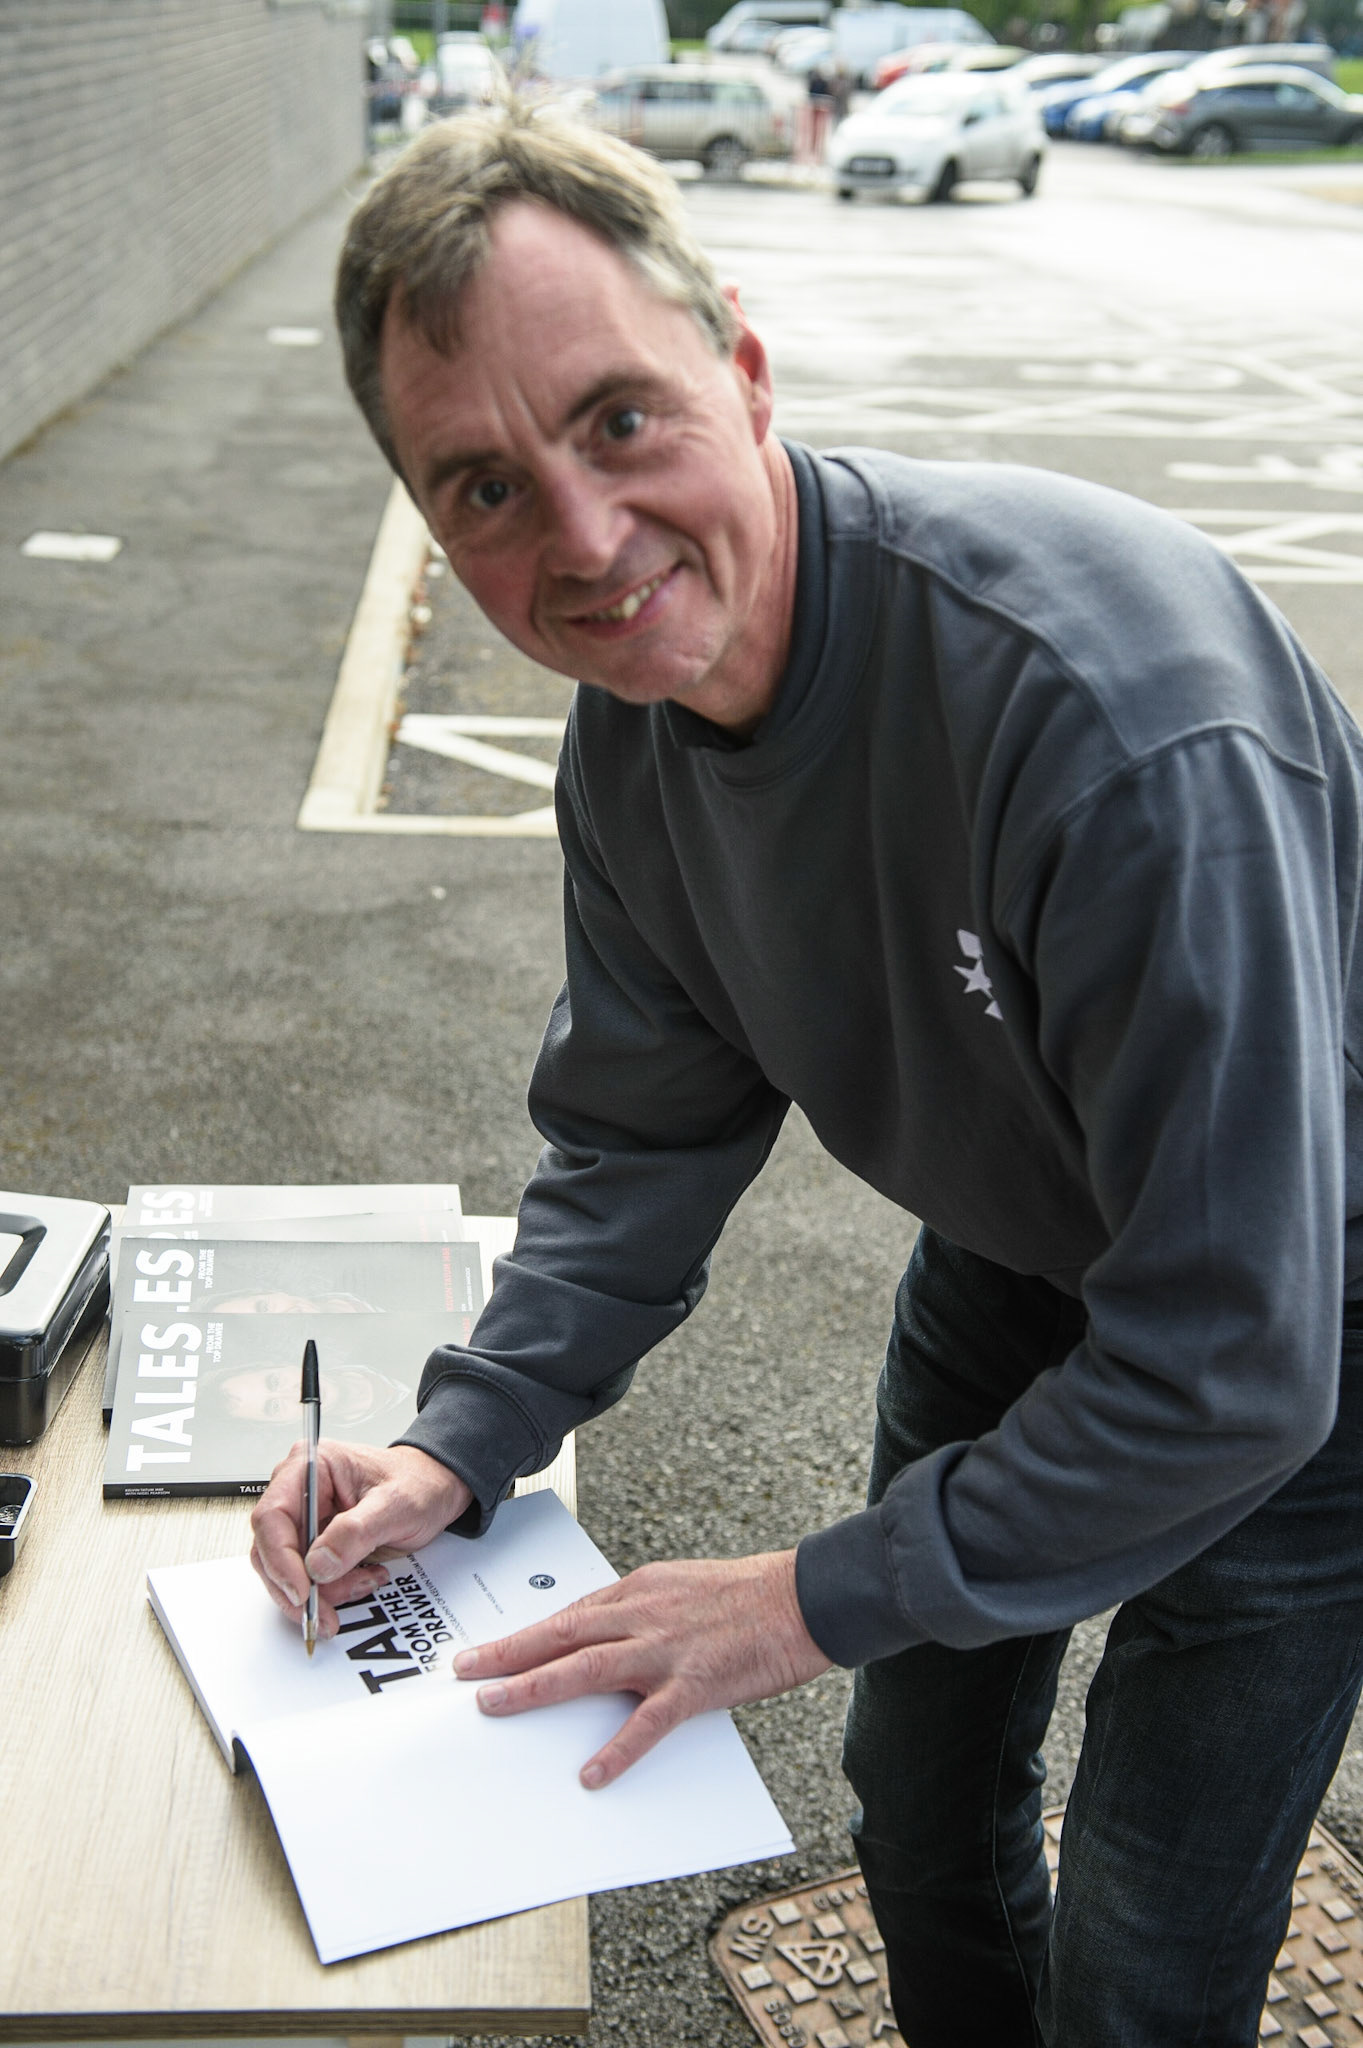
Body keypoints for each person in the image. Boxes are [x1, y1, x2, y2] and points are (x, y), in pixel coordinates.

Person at [250, 102, 1363, 2046]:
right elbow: (640, 1130)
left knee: (1145, 1936)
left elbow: (1231, 1354)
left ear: (743, 367)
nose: (584, 544)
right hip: (1018, 1254)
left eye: (617, 420)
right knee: (919, 1800)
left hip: (1306, 1320)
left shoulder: (1106, 719)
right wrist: (459, 1438)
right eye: (484, 489)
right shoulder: (633, 731)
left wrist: (790, 1593)